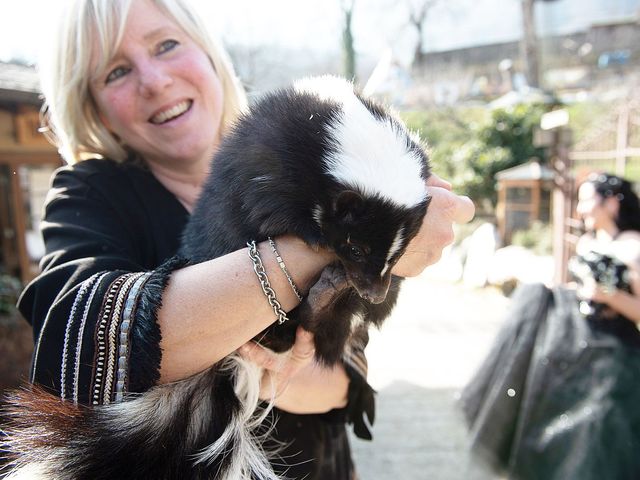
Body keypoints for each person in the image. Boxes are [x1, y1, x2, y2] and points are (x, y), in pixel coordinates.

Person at [15, 0, 475, 478]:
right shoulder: (91, 193)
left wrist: (274, 369)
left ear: (210, 53)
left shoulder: (310, 148)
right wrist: (318, 253)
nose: (153, 81)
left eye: (166, 45)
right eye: (115, 72)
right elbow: (80, 347)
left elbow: (346, 378)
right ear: (94, 108)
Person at [459, 172, 640, 480]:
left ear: (611, 203)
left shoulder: (633, 247)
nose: (579, 209)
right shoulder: (588, 241)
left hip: (614, 356)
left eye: (585, 200)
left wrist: (606, 295)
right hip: (575, 345)